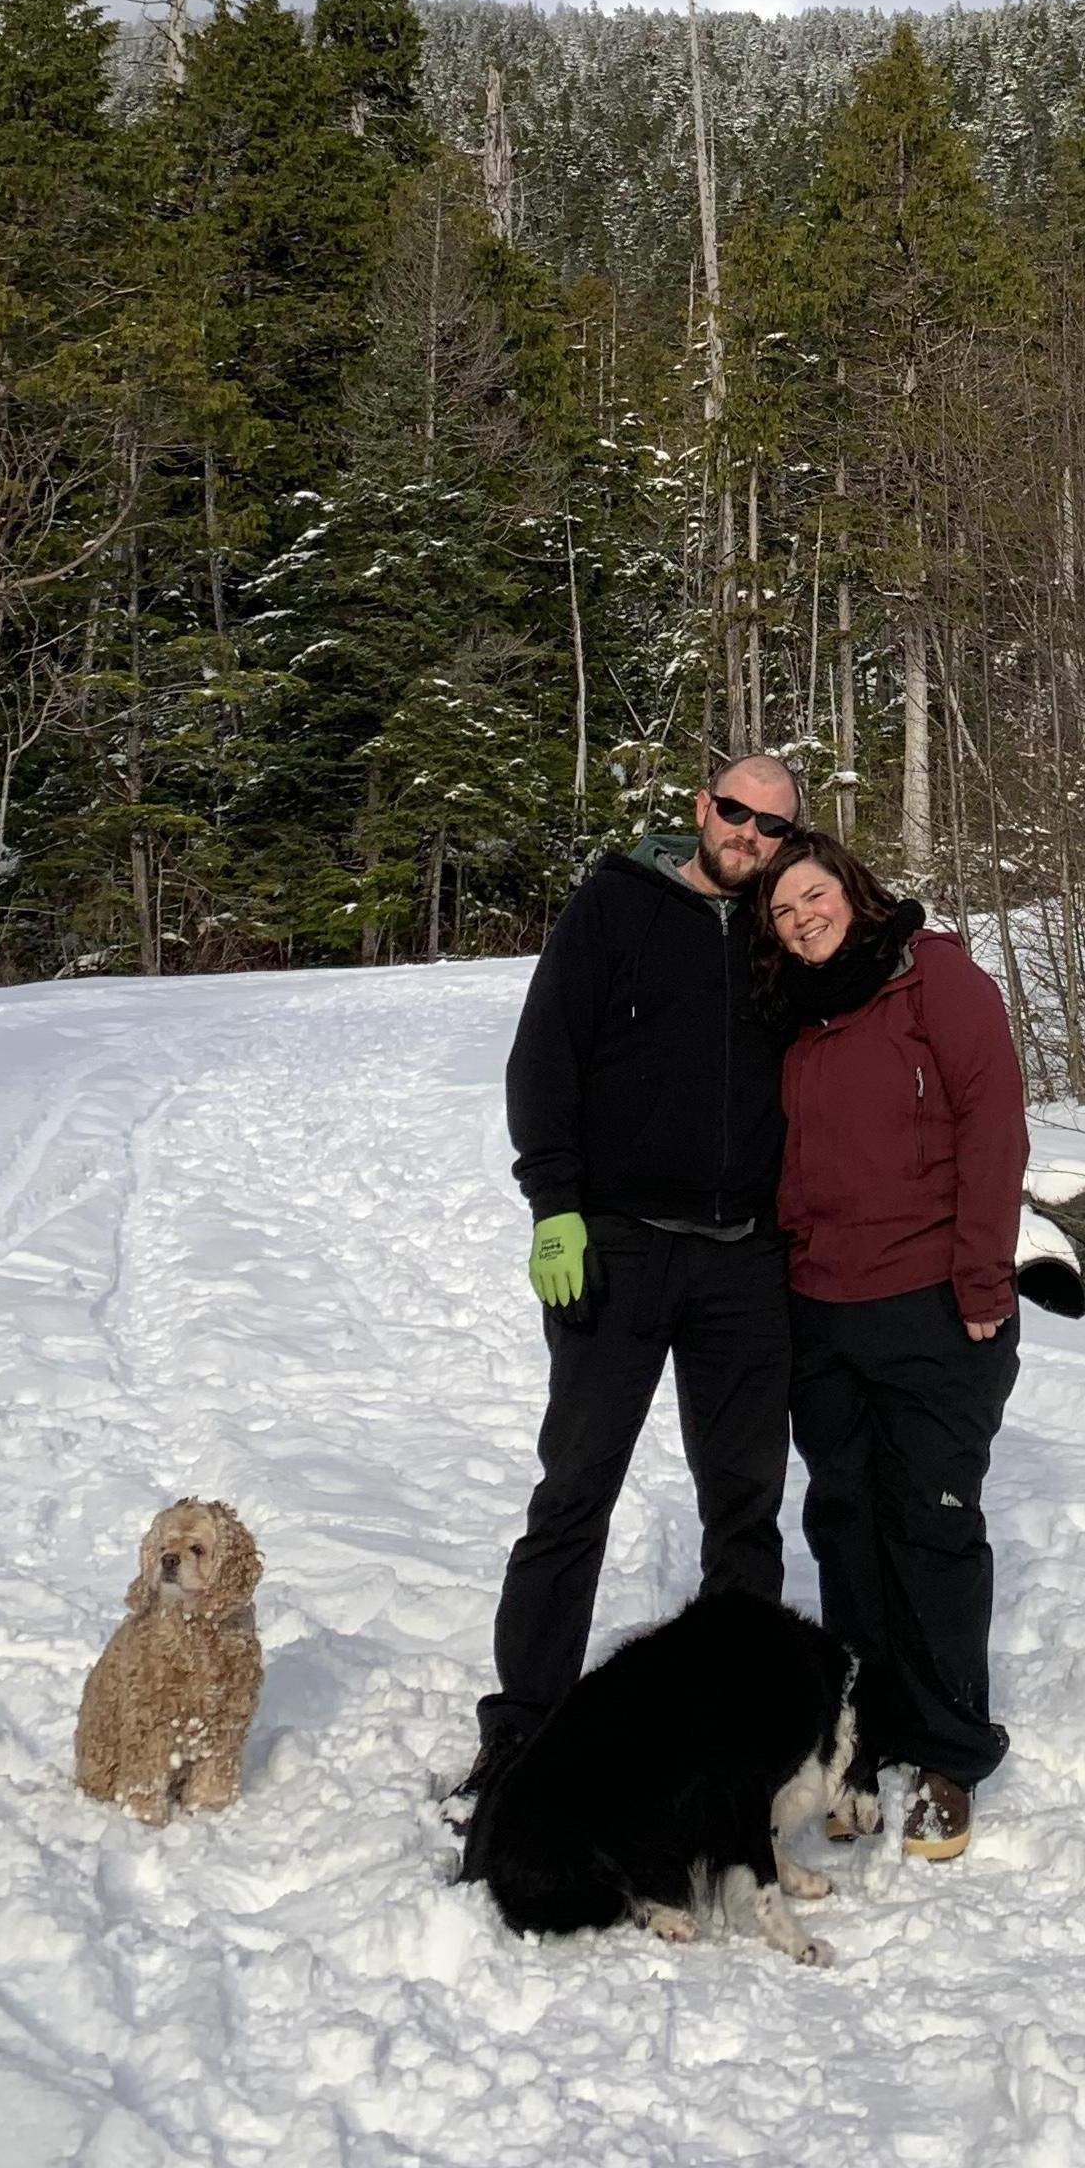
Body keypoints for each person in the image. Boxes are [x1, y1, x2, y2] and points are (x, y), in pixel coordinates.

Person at [463, 750, 809, 1801]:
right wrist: (553, 1203)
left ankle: (741, 1735)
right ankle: (522, 1737)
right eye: (738, 813)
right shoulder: (615, 905)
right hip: (616, 1248)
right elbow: (545, 1057)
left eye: (775, 828)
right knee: (575, 1492)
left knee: (744, 1504)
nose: (751, 837)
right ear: (702, 808)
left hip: (745, 1257)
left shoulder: (779, 930)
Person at [750, 823, 1027, 1863]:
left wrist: (982, 1278)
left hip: (931, 1306)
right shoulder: (793, 1017)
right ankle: (863, 1736)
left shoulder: (936, 980)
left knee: (935, 1523)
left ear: (853, 890)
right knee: (845, 1521)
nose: (802, 916)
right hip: (821, 1310)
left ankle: (951, 1750)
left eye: (812, 894)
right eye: (781, 911)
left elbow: (992, 1124)